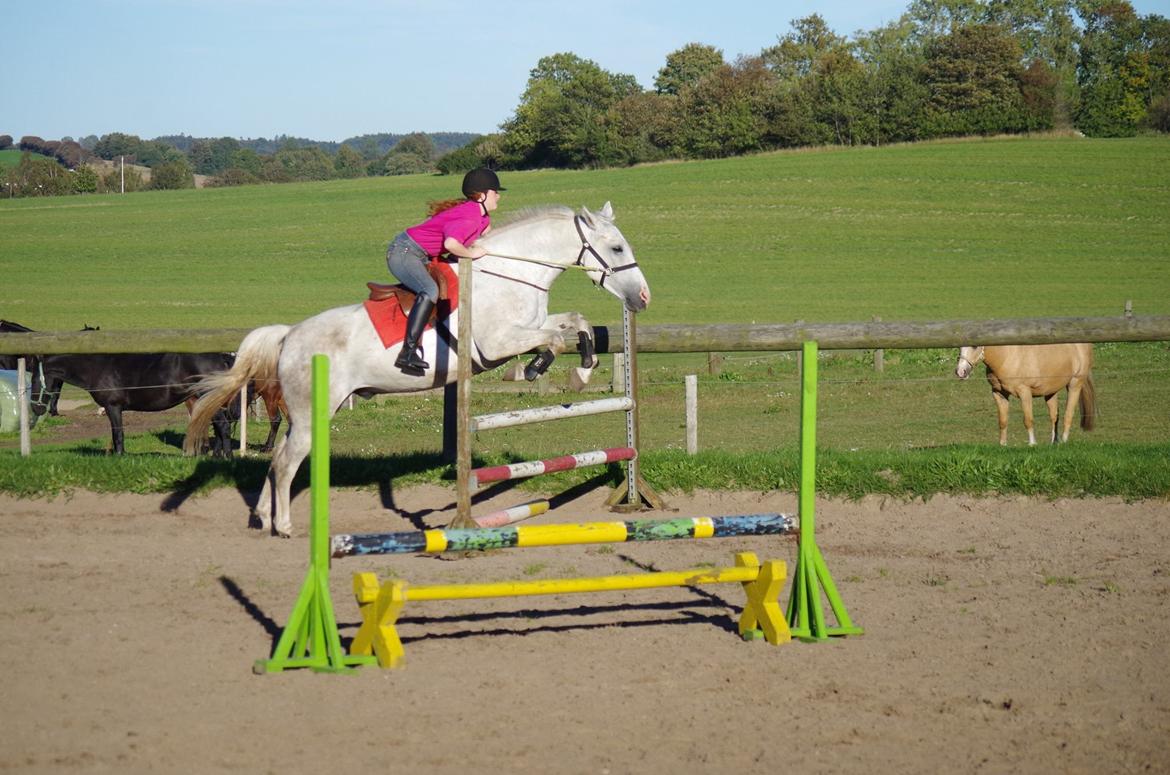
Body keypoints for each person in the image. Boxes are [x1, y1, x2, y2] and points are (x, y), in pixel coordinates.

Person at [385, 168, 504, 375]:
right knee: (430, 290)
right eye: (495, 192)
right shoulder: (470, 217)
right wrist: (471, 254)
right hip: (404, 252)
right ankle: (407, 352)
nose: (499, 196)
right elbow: (451, 244)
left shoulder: (482, 218)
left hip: (421, 254)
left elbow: (486, 237)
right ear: (482, 195)